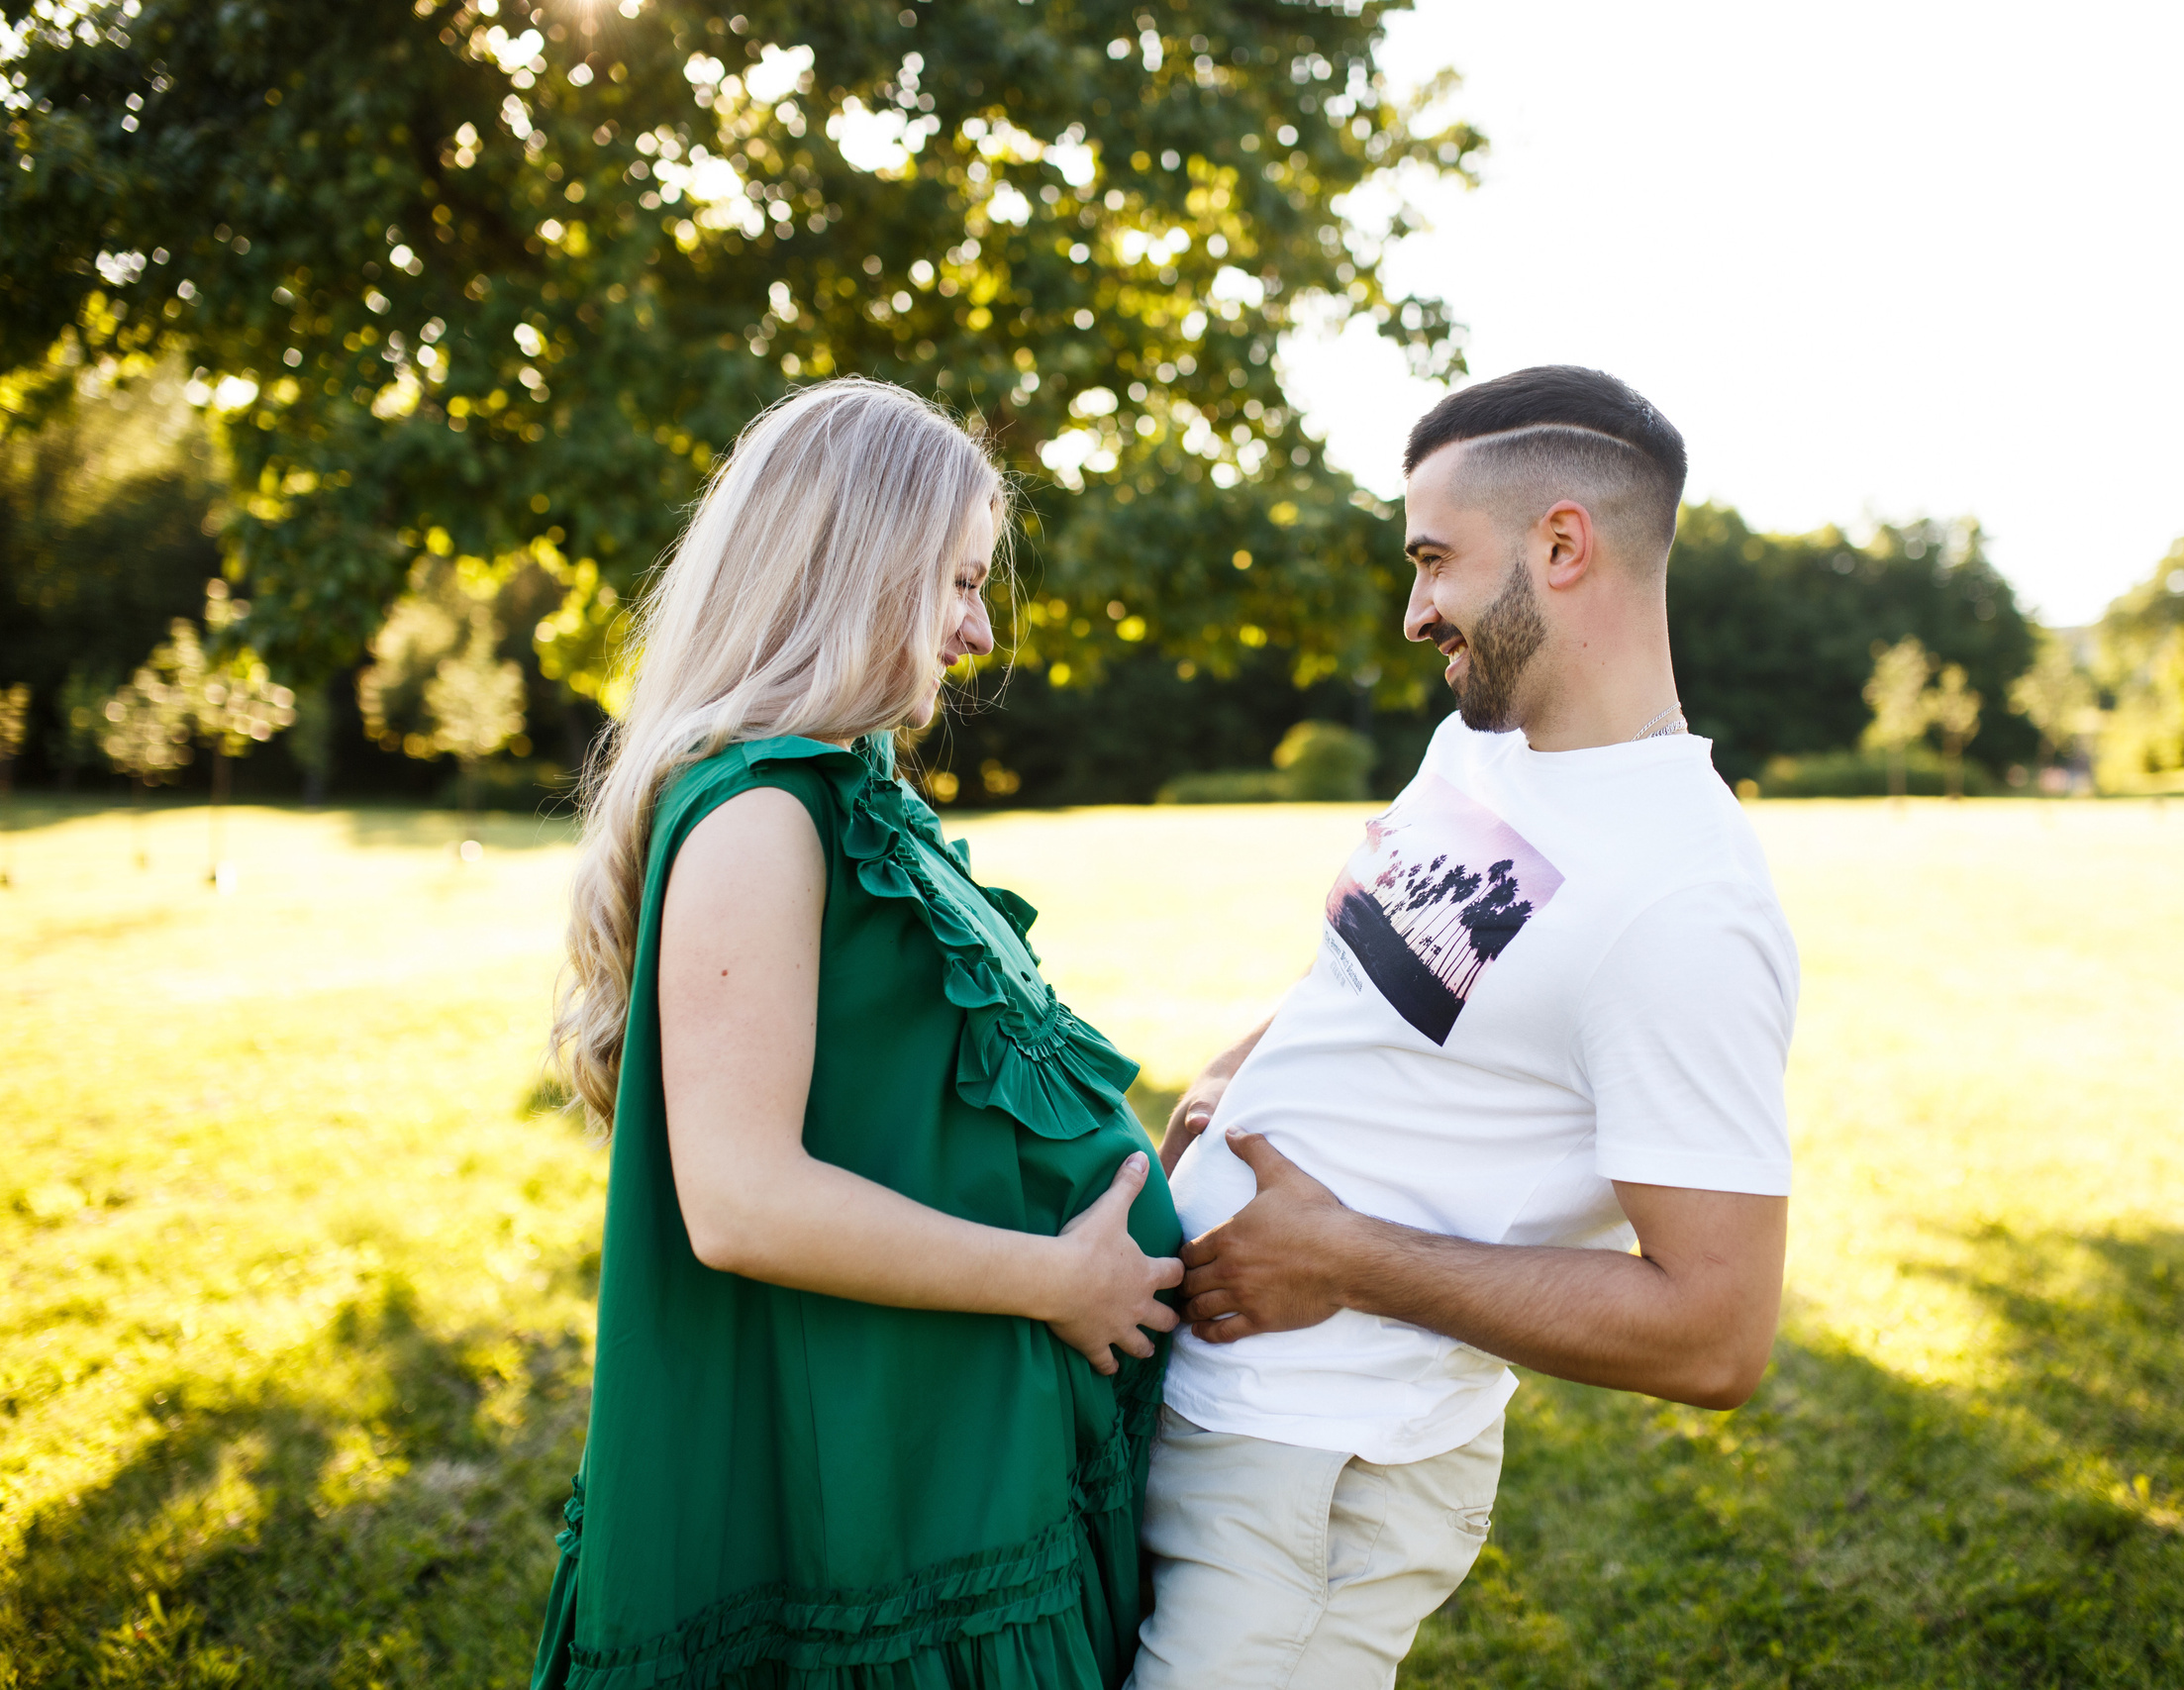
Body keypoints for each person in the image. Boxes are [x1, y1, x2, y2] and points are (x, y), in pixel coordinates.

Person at [1132, 367, 1798, 1689]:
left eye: (1433, 560)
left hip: (1324, 1465)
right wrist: (1235, 1068)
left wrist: (1344, 1259)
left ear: (1562, 545)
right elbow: (1391, 965)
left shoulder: (1684, 905)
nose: (1412, 607)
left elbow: (1715, 1332)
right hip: (1217, 1398)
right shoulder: (1480, 744)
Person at [534, 377, 1185, 1690]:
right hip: (872, 1477)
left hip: (957, 1434)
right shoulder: (760, 815)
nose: (975, 626)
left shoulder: (852, 787)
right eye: (952, 581)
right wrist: (1056, 1280)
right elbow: (740, 1201)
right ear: (849, 569)